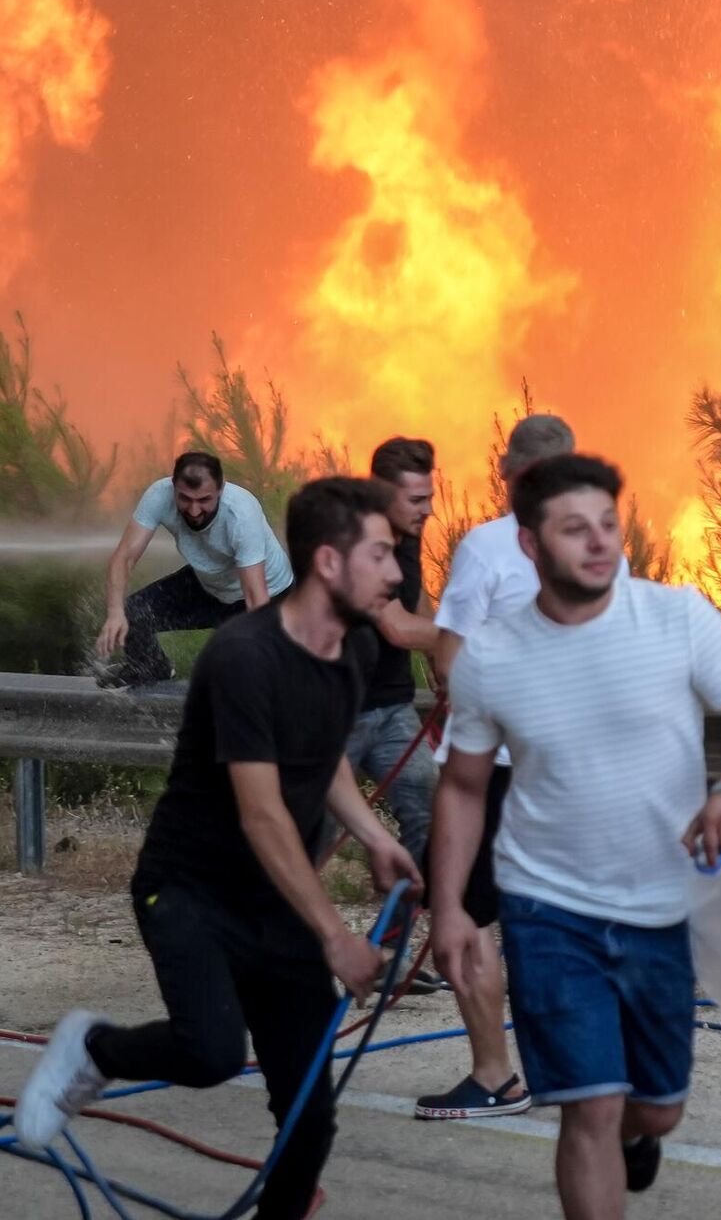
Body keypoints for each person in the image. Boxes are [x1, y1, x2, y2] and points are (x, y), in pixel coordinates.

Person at [15, 478, 423, 1220]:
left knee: (309, 1117)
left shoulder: (354, 647)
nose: (396, 573)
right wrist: (336, 936)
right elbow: (262, 814)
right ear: (329, 562)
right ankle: (94, 1049)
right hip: (190, 889)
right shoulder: (244, 656)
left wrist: (373, 836)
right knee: (210, 1052)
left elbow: (324, 753)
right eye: (379, 555)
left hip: (277, 901)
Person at [432, 452, 721, 1218]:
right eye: (575, 528)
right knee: (588, 1105)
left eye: (607, 523)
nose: (599, 541)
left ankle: (640, 1131)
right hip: (546, 906)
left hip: (662, 907)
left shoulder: (677, 616)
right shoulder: (490, 655)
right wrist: (450, 906)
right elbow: (462, 786)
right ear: (530, 543)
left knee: (655, 1108)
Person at [414, 413, 630, 1121]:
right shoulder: (603, 547)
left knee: (465, 916)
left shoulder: (486, 546)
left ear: (514, 475)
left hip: (497, 770)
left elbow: (450, 655)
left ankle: (496, 1076)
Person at [328, 437, 444, 991]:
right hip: (339, 713)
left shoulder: (407, 535)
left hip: (393, 708)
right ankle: (265, 950)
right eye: (417, 500)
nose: (430, 510)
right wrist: (479, 638)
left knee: (432, 816)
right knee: (308, 835)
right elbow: (396, 627)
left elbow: (415, 601)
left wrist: (441, 664)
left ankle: (388, 951)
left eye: (430, 496)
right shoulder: (361, 544)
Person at [95, 451, 295, 687]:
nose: (194, 511)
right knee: (134, 613)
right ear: (173, 486)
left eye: (204, 500)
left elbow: (255, 596)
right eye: (185, 499)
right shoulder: (159, 496)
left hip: (266, 595)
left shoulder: (241, 513)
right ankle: (151, 668)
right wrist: (115, 612)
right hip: (210, 584)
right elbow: (124, 558)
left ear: (221, 488)